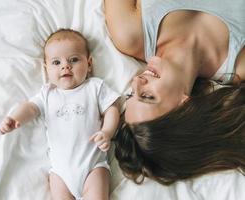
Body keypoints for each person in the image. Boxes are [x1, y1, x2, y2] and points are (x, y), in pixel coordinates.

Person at [105, 0, 245, 185]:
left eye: (131, 94)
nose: (137, 81)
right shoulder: (240, 64)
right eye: (147, 96)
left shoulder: (129, 33)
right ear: (183, 106)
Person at [0, 28, 120, 199]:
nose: (65, 66)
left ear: (89, 63)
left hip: (93, 166)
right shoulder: (47, 94)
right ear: (46, 68)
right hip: (60, 174)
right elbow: (30, 107)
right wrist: (14, 117)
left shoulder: (94, 87)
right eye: (56, 62)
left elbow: (112, 108)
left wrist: (107, 131)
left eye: (74, 59)